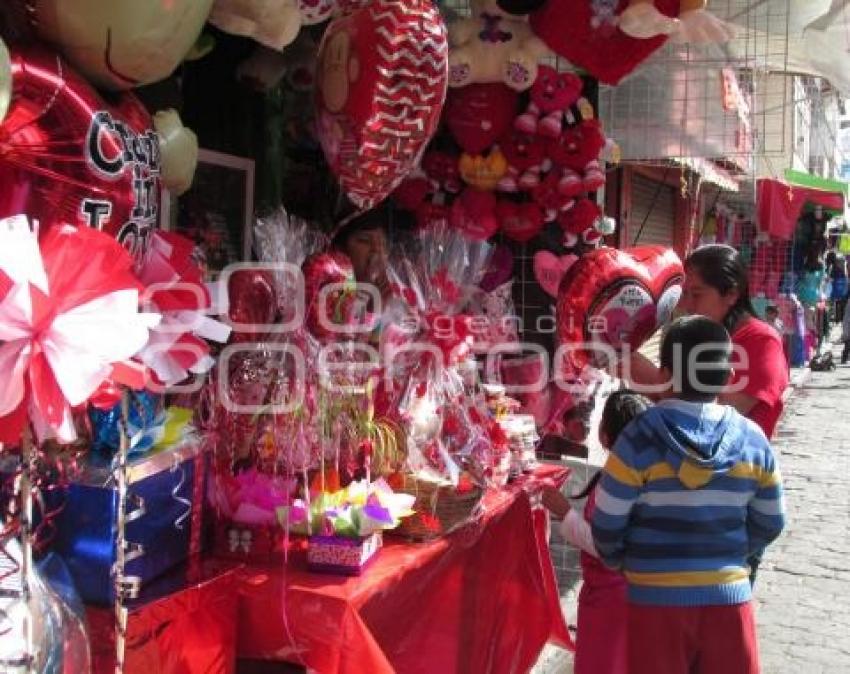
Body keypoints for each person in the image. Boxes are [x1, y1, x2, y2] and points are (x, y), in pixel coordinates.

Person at [592, 316, 786, 674]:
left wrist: (626, 561)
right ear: (729, 375)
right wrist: (731, 554)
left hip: (654, 603)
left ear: (665, 373)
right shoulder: (753, 439)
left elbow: (606, 523)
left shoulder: (636, 438)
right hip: (729, 599)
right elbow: (771, 521)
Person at [542, 389, 651, 674]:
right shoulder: (647, 476)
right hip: (627, 594)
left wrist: (564, 511)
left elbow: (605, 545)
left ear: (604, 435)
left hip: (613, 598)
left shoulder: (618, 482)